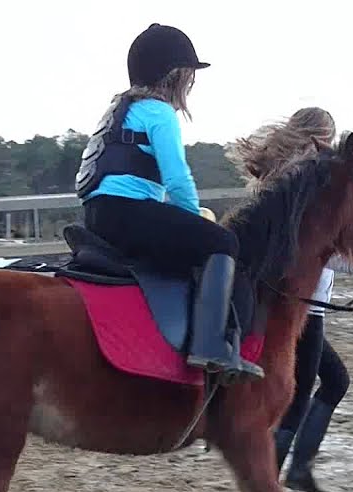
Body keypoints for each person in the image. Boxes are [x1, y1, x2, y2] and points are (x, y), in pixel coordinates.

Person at [75, 23, 261, 384]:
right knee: (224, 243)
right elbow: (177, 180)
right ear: (175, 75)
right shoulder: (160, 114)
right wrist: (197, 218)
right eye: (189, 74)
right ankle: (210, 345)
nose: (191, 82)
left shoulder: (121, 110)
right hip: (129, 214)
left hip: (99, 214)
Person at [274, 256, 353, 492]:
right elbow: (319, 245)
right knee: (298, 395)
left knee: (335, 381)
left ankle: (299, 470)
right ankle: (264, 490)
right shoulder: (309, 217)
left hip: (306, 304)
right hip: (303, 306)